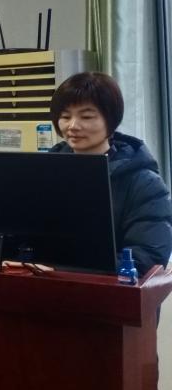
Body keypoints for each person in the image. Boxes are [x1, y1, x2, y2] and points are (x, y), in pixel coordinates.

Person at [49, 72, 172, 274]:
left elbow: (147, 258)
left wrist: (61, 268)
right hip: (41, 284)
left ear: (111, 120)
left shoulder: (144, 183)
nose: (73, 126)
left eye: (86, 117)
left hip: (106, 289)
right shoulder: (46, 172)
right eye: (65, 116)